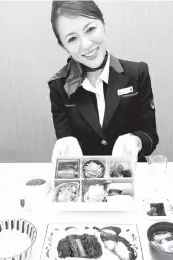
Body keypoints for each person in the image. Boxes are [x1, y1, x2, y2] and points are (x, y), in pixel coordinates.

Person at [48, 0, 159, 167]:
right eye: (72, 39)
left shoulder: (137, 73)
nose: (86, 45)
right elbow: (66, 139)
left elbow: (150, 135)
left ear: (104, 24)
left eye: (91, 29)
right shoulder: (59, 86)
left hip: (130, 171)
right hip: (87, 177)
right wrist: (65, 144)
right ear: (63, 46)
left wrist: (136, 141)